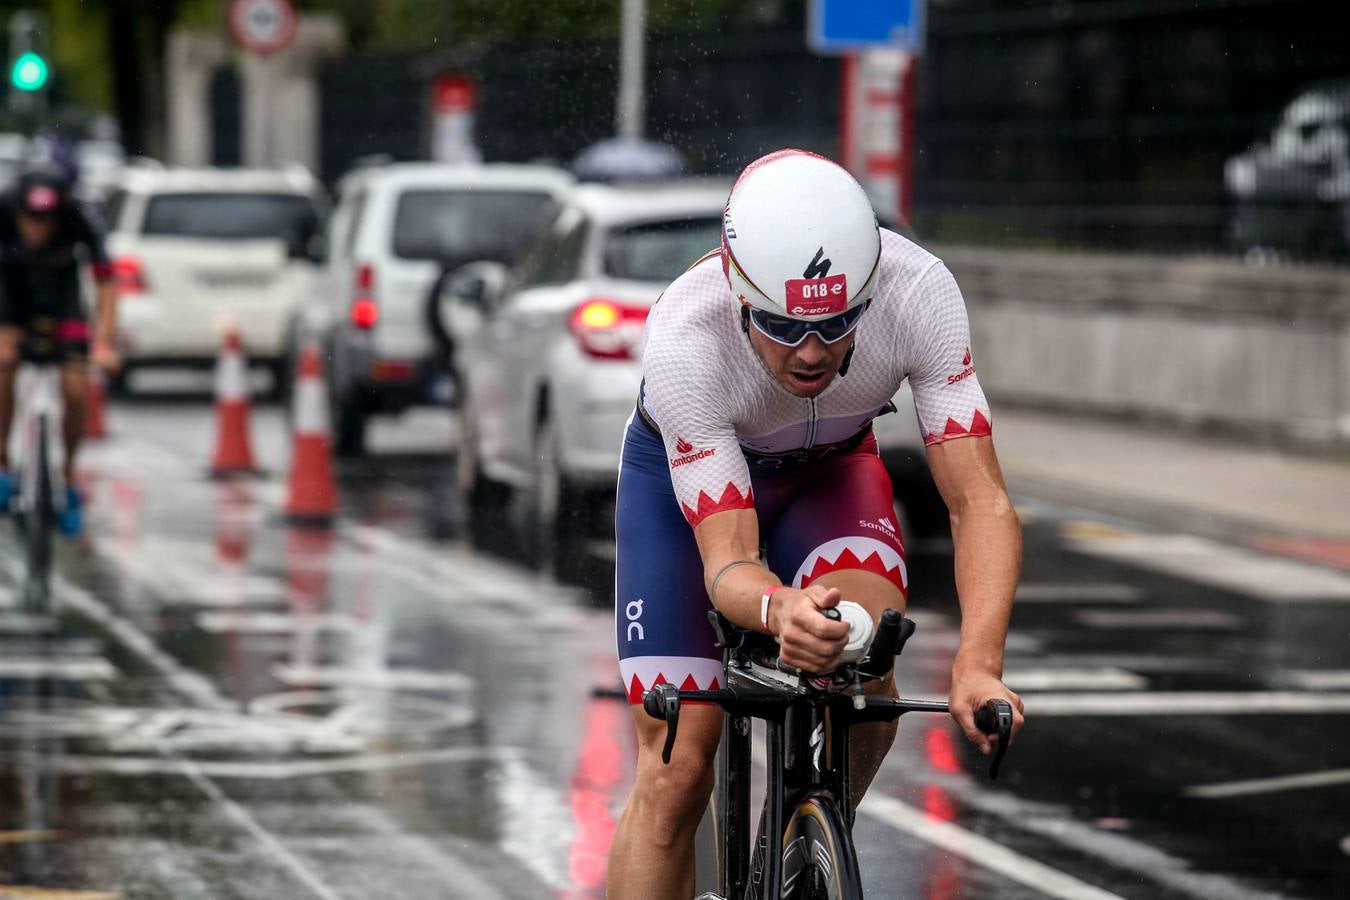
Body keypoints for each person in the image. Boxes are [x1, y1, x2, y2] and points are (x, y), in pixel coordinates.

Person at [607, 149, 1026, 898]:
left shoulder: (919, 291)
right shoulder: (686, 334)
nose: (810, 352)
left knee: (867, 658)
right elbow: (729, 562)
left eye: (838, 325)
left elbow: (980, 502)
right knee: (677, 765)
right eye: (780, 325)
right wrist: (778, 608)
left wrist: (979, 662)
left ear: (869, 289)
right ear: (739, 293)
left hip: (829, 472)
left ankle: (800, 850)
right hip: (684, 502)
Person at [0, 163, 119, 534]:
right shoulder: (2, 210)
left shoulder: (79, 216)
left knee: (76, 389)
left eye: (46, 220)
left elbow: (107, 282)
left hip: (62, 303)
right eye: (31, 219)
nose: (39, 229)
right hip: (9, 301)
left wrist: (104, 342)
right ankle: (2, 463)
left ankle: (67, 479)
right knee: (3, 369)